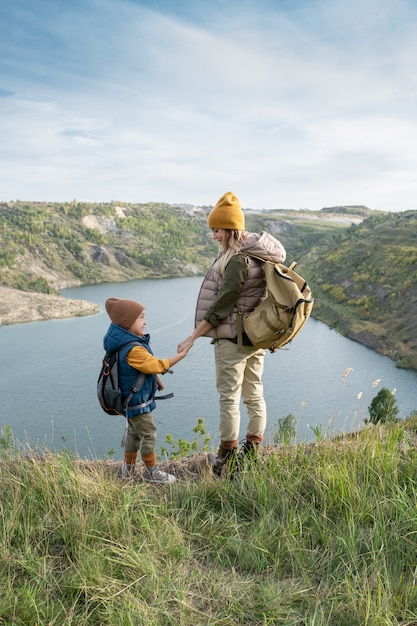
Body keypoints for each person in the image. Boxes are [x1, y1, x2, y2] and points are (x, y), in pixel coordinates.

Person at [177, 191, 286, 476]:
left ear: (230, 228)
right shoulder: (258, 254)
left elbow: (222, 305)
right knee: (254, 394)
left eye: (216, 229)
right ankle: (252, 452)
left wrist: (193, 336)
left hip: (233, 340)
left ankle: (227, 459)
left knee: (229, 398)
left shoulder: (238, 260)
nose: (213, 235)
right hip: (255, 337)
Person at [104, 297, 192, 483]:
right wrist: (181, 356)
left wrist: (155, 378)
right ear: (128, 323)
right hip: (137, 402)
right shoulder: (133, 349)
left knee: (133, 435)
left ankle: (127, 470)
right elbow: (157, 364)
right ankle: (152, 472)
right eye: (141, 318)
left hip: (129, 401)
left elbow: (142, 368)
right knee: (148, 434)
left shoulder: (121, 342)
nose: (145, 322)